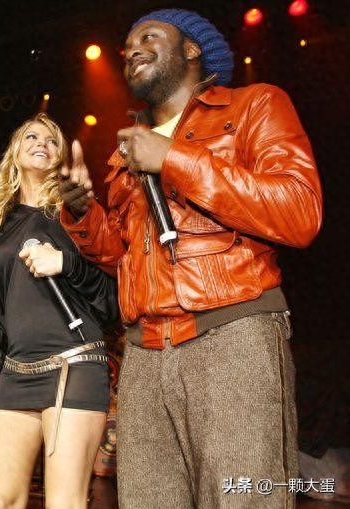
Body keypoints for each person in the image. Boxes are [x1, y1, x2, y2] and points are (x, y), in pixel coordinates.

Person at [58, 8, 323, 509]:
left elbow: (299, 211)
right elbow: (125, 258)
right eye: (127, 45)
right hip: (144, 350)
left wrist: (174, 159)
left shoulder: (254, 104)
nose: (131, 49)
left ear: (192, 48)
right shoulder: (126, 148)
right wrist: (80, 212)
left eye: (149, 36)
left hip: (231, 333)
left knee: (244, 498)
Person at [0, 113, 118, 509]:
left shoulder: (77, 214)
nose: (43, 144)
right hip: (16, 372)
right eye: (32, 137)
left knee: (64, 503)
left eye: (53, 140)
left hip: (74, 366)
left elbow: (113, 299)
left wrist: (65, 263)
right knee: (3, 501)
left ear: (61, 157)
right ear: (15, 152)